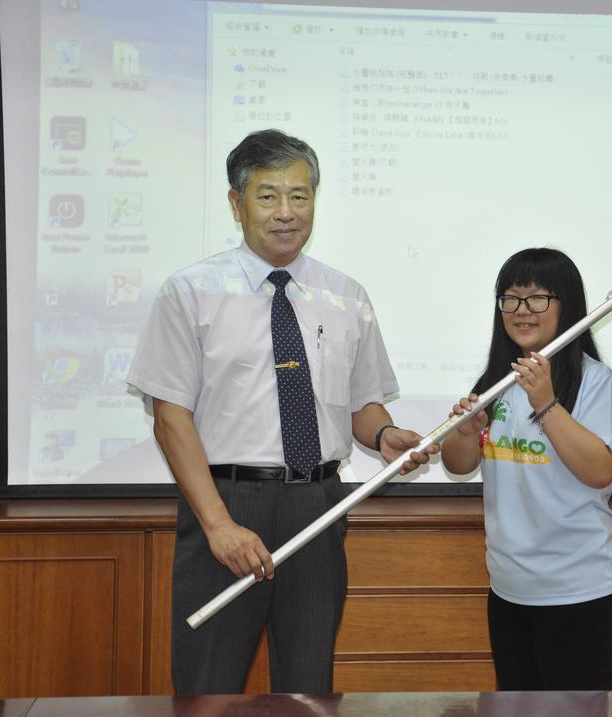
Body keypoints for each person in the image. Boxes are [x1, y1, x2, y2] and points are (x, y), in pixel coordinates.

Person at [126, 129, 434, 695]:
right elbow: (171, 419)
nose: (286, 212)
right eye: (268, 196)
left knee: (309, 687)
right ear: (236, 202)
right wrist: (218, 525)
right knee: (207, 688)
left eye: (300, 195)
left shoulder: (347, 296)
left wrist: (385, 434)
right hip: (227, 504)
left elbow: (361, 405)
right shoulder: (190, 292)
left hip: (316, 507)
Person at [441, 247, 612, 691]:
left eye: (537, 299)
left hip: (585, 595)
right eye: (510, 299)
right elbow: (458, 464)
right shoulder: (496, 382)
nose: (521, 311)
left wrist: (545, 403)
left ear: (567, 305)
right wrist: (466, 431)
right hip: (510, 594)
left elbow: (600, 470)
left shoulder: (596, 383)